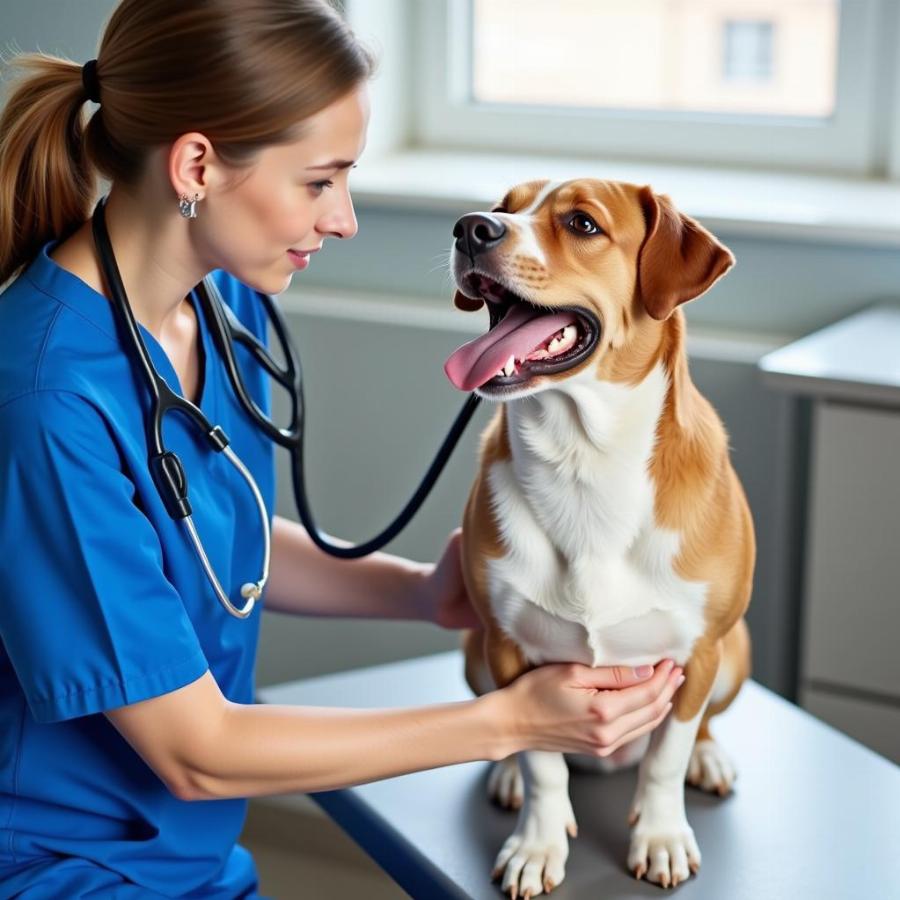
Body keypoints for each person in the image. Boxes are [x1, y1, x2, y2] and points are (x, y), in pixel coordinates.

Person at [0, 1, 683, 896]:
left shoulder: (219, 305)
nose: (345, 218)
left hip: (193, 859)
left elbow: (203, 544)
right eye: (321, 181)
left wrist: (424, 595)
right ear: (197, 164)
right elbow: (196, 753)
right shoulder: (47, 399)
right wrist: (512, 723)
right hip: (61, 866)